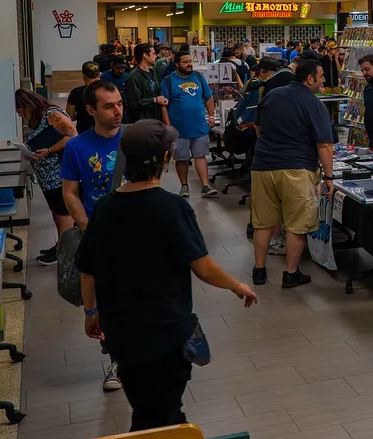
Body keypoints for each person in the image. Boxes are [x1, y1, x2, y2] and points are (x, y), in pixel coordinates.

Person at [76, 120, 258, 432]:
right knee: (153, 422)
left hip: (120, 334)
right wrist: (237, 285)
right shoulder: (172, 207)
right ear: (165, 158)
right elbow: (203, 268)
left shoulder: (105, 207)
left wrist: (91, 313)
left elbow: (88, 268)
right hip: (163, 336)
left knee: (162, 410)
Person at [60, 80, 125, 392]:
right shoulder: (76, 147)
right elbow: (70, 193)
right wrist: (88, 228)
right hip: (100, 234)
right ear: (90, 110)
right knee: (109, 300)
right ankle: (117, 359)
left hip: (139, 233)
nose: (118, 111)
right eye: (109, 106)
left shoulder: (135, 139)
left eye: (119, 103)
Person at [250, 60, 335, 289]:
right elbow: (324, 145)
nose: (323, 80)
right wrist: (329, 177)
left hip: (262, 166)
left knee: (263, 222)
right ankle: (291, 273)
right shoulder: (314, 104)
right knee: (297, 224)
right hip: (297, 169)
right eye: (321, 76)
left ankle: (259, 270)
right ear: (310, 78)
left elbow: (257, 126)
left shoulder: (272, 95)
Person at [16, 89, 77, 266]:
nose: (20, 115)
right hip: (47, 176)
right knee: (56, 211)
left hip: (58, 173)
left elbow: (73, 136)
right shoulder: (37, 119)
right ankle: (60, 246)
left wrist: (49, 150)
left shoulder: (52, 115)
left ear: (28, 105)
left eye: (21, 111)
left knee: (64, 213)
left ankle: (66, 253)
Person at [160, 51, 219, 198]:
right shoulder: (168, 80)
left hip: (199, 126)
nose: (189, 64)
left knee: (201, 156)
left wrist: (211, 116)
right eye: (185, 62)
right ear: (177, 64)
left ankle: (205, 186)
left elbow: (208, 97)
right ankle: (184, 186)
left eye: (190, 61)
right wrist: (168, 126)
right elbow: (164, 106)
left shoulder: (198, 77)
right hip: (179, 129)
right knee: (182, 158)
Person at [125, 43, 167, 123]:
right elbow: (133, 103)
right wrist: (154, 100)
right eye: (153, 54)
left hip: (155, 119)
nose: (156, 56)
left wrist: (162, 100)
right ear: (145, 56)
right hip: (142, 122)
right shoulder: (134, 76)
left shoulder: (152, 72)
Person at [67, 61, 101, 134]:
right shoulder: (105, 90)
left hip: (83, 131)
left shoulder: (75, 92)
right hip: (102, 130)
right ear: (99, 75)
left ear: (83, 76)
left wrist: (80, 115)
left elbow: (70, 116)